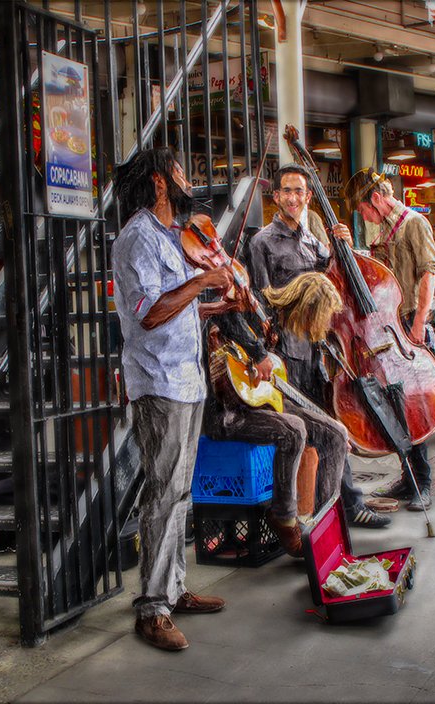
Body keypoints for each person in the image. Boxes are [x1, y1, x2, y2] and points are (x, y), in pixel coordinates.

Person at [111, 147, 234, 652]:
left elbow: (176, 308)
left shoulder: (168, 237)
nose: (189, 180)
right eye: (181, 172)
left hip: (187, 378)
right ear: (161, 183)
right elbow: (148, 314)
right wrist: (202, 280)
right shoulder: (138, 236)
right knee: (162, 493)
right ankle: (152, 610)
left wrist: (211, 306)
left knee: (181, 493)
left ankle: (174, 588)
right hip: (158, 384)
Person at [246, 164, 391, 528]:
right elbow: (261, 302)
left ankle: (342, 508)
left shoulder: (314, 241)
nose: (294, 198)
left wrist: (341, 246)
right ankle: (312, 516)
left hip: (320, 351)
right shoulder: (262, 242)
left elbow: (335, 285)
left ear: (309, 197)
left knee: (331, 429)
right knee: (312, 433)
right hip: (286, 354)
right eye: (287, 191)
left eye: (300, 192)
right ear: (275, 197)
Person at [204, 272, 348, 556]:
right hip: (228, 407)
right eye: (322, 317)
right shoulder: (256, 307)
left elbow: (274, 381)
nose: (322, 325)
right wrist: (257, 354)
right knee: (293, 429)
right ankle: (284, 517)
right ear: (308, 308)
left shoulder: (282, 326)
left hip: (263, 401)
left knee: (336, 434)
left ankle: (325, 525)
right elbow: (227, 320)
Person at [341, 167, 435, 512]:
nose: (364, 216)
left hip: (409, 321)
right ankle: (407, 473)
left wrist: (419, 324)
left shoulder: (413, 223)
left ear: (378, 200)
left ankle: (422, 481)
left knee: (415, 403)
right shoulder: (382, 229)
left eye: (364, 209)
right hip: (389, 323)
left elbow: (428, 274)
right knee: (394, 403)